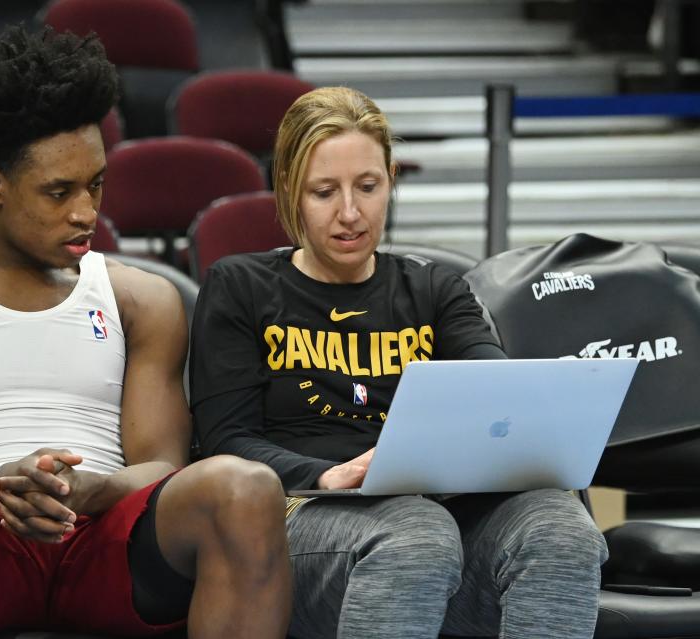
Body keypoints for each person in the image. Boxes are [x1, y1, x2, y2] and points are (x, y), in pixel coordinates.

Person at [0, 26, 291, 639]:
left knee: (246, 485)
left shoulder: (142, 297)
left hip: (105, 537)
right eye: (59, 192)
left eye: (96, 184)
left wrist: (94, 488)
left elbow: (160, 463)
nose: (86, 211)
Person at [190, 86, 608, 639]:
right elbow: (226, 440)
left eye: (368, 186)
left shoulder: (435, 289)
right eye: (323, 192)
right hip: (301, 516)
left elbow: (499, 396)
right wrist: (325, 474)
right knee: (418, 534)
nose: (350, 213)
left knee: (562, 531)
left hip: (439, 513)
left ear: (390, 179)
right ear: (290, 189)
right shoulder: (239, 285)